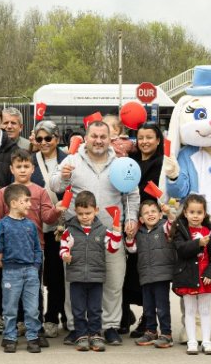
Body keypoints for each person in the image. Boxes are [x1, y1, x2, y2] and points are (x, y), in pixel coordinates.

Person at [48, 118, 139, 346]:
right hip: (77, 236)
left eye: (103, 137)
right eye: (94, 136)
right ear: (86, 138)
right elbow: (54, 185)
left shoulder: (121, 163)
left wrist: (131, 219)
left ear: (110, 139)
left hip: (111, 233)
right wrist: (63, 177)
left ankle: (109, 327)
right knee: (74, 284)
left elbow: (131, 194)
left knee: (113, 282)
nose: (98, 141)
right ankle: (75, 327)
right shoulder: (71, 160)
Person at [0, 149, 59, 346]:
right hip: (10, 253)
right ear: (11, 169)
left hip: (33, 251)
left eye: (26, 166)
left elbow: (47, 217)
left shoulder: (40, 191)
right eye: (18, 166)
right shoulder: (4, 193)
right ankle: (15, 327)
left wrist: (57, 211)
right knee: (12, 294)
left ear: (32, 168)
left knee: (35, 292)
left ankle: (36, 329)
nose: (22, 170)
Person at [58, 190, 121, 351]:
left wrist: (116, 231)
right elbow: (64, 246)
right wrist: (65, 255)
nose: (84, 217)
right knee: (78, 309)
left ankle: (95, 334)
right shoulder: (69, 231)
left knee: (95, 309)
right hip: (76, 277)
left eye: (88, 213)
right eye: (80, 214)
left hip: (96, 277)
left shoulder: (103, 230)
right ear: (75, 212)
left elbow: (113, 248)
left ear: (96, 211)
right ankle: (81, 335)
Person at [172, 193, 211, 356]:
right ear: (185, 213)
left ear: (205, 213)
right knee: (189, 310)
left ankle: (207, 341)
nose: (195, 216)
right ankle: (192, 341)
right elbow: (181, 250)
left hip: (206, 276)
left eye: (199, 212)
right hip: (187, 275)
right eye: (192, 212)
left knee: (205, 310)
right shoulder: (180, 230)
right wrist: (198, 243)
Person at [27, 122, 68, 333]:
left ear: (57, 139)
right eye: (39, 139)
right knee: (33, 275)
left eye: (48, 138)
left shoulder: (68, 160)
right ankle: (33, 317)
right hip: (33, 225)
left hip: (58, 226)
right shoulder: (29, 161)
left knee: (55, 274)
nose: (44, 142)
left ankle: (53, 316)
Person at [0, 183, 43, 353]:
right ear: (14, 203)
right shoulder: (3, 224)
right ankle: (9, 336)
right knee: (10, 307)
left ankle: (33, 337)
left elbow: (37, 248)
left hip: (31, 272)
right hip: (11, 272)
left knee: (32, 308)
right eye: (26, 201)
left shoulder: (31, 225)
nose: (30, 204)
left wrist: (35, 266)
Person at [127, 199, 176, 347]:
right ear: (141, 219)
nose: (150, 214)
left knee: (162, 307)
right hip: (145, 275)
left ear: (160, 215)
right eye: (146, 213)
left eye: (154, 211)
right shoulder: (140, 233)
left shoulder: (164, 227)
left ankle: (166, 333)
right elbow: (131, 249)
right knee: (148, 307)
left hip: (161, 275)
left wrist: (169, 213)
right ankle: (151, 331)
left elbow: (173, 224)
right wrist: (130, 237)